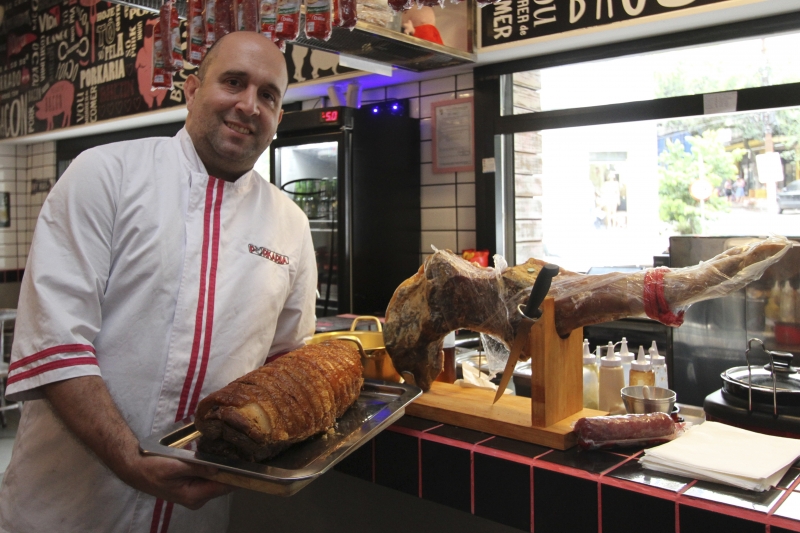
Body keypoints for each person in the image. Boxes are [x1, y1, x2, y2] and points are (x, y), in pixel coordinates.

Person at [0, 32, 317, 533]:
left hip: (200, 515)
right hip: (70, 510)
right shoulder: (105, 175)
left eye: (268, 95)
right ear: (191, 90)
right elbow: (56, 343)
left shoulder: (290, 224)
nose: (248, 104)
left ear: (278, 117)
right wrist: (129, 459)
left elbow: (286, 369)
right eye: (233, 82)